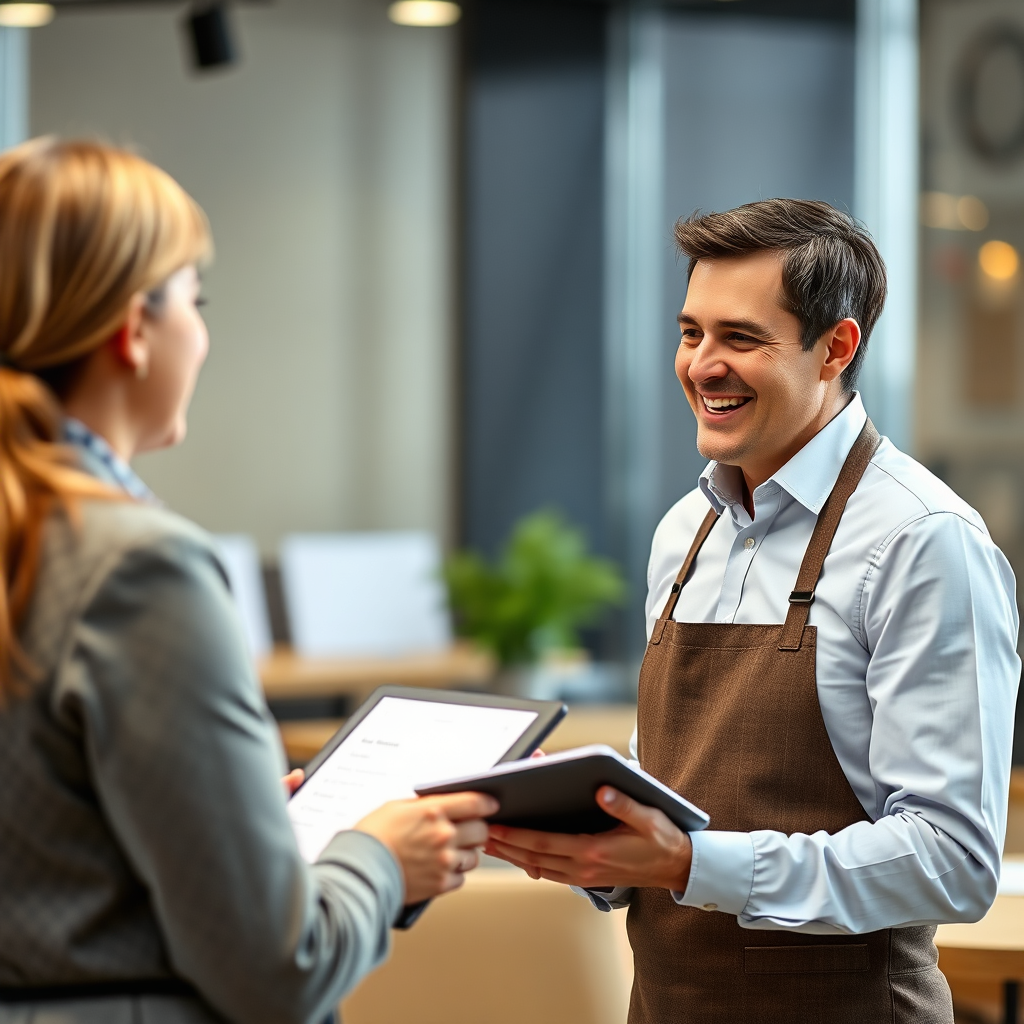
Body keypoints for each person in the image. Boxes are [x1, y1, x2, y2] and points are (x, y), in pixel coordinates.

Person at [485, 199, 1020, 1023]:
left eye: (740, 338)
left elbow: (952, 859)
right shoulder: (683, 533)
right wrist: (605, 848)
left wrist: (693, 865)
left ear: (836, 347)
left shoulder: (924, 541)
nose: (701, 365)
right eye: (691, 332)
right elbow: (677, 786)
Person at [0, 137, 496, 1024]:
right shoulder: (136, 566)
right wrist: (377, 855)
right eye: (197, 299)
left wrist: (223, 815)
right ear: (134, 327)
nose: (203, 331)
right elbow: (278, 970)